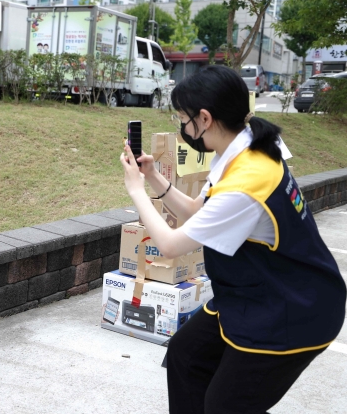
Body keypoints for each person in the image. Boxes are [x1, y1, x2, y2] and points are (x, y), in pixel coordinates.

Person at [119, 66, 346, 414]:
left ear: (205, 118)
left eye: (183, 118)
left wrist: (134, 189)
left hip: (295, 310)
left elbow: (169, 244)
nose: (183, 127)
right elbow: (197, 212)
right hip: (257, 291)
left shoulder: (246, 182)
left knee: (225, 405)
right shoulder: (245, 150)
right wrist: (152, 178)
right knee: (186, 355)